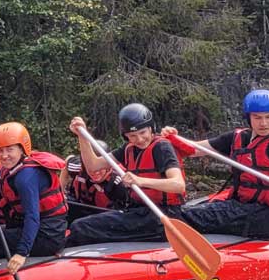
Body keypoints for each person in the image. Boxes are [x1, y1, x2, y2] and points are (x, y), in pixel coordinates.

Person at [163, 88, 269, 241]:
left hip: (262, 217)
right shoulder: (238, 137)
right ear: (248, 117)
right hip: (239, 207)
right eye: (257, 117)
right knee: (184, 211)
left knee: (181, 216)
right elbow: (195, 149)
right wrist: (172, 137)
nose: (264, 123)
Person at [64, 104, 187, 245]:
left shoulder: (162, 147)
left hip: (164, 216)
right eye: (132, 136)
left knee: (82, 227)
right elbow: (93, 165)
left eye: (143, 133)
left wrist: (140, 181)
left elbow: (178, 185)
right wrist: (82, 136)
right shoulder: (128, 149)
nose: (139, 139)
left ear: (151, 128)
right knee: (78, 223)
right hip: (140, 212)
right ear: (126, 136)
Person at [0, 121, 68, 273]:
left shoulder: (26, 177)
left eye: (10, 150)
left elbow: (33, 216)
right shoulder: (11, 170)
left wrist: (22, 252)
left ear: (22, 149)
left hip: (47, 236)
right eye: (0, 151)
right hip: (39, 229)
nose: (4, 155)